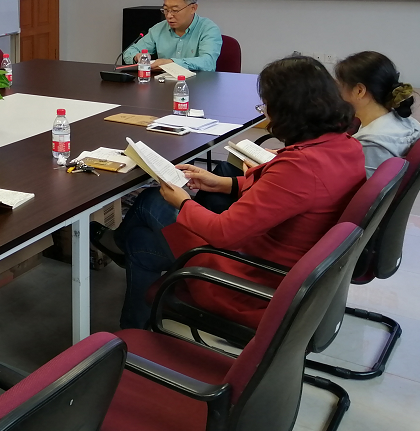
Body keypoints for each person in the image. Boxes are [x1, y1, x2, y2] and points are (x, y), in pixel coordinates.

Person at [94, 56, 364, 329]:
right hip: (279, 267)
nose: (266, 114)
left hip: (248, 281)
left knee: (152, 201)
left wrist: (184, 202)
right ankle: (134, 329)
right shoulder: (345, 146)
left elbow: (224, 232)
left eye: (266, 105)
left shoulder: (300, 167)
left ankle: (117, 245)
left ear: (287, 110)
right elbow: (289, 196)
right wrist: (223, 183)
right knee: (140, 244)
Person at [335, 51, 419, 177]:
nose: (338, 94)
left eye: (340, 87)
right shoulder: (406, 121)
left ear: (359, 91)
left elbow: (366, 188)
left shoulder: (371, 143)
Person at [121, 0, 223, 72]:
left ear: (193, 8)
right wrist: (137, 57)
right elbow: (129, 51)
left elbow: (208, 63)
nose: (169, 16)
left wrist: (171, 63)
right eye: (165, 9)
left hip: (198, 85)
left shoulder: (208, 29)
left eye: (175, 10)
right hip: (164, 84)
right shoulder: (159, 29)